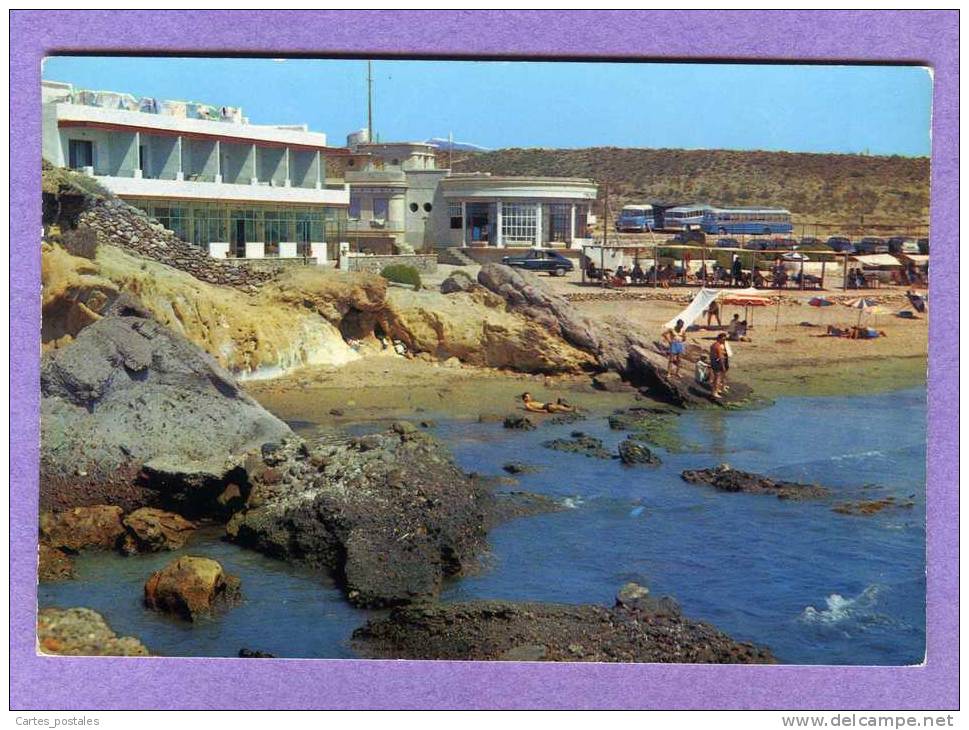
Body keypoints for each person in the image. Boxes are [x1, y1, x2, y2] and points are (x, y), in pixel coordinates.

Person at [709, 333, 729, 399]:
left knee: (716, 377)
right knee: (717, 378)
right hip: (717, 362)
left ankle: (716, 390)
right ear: (720, 338)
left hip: (713, 361)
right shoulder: (718, 346)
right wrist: (723, 366)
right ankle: (715, 392)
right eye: (723, 339)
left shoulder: (713, 345)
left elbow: (711, 355)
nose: (724, 340)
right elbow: (720, 357)